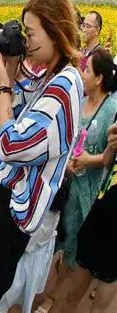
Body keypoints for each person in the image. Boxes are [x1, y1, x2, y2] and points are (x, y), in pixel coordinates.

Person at [0, 0, 84, 312]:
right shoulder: (50, 78)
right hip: (2, 199)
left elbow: (13, 143)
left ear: (55, 30)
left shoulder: (65, 85)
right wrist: (10, 73)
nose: (26, 42)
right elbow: (18, 109)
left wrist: (2, 86)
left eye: (30, 34)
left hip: (11, 210)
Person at [43, 49, 117, 308]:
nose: (81, 73)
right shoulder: (78, 99)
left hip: (88, 194)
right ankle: (48, 295)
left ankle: (57, 300)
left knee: (77, 257)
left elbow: (108, 160)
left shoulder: (112, 107)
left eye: (86, 69)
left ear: (99, 78)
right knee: (54, 247)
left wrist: (89, 160)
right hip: (65, 187)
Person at [60, 120, 117, 313]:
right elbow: (108, 163)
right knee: (73, 292)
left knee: (101, 306)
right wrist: (111, 144)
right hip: (101, 210)